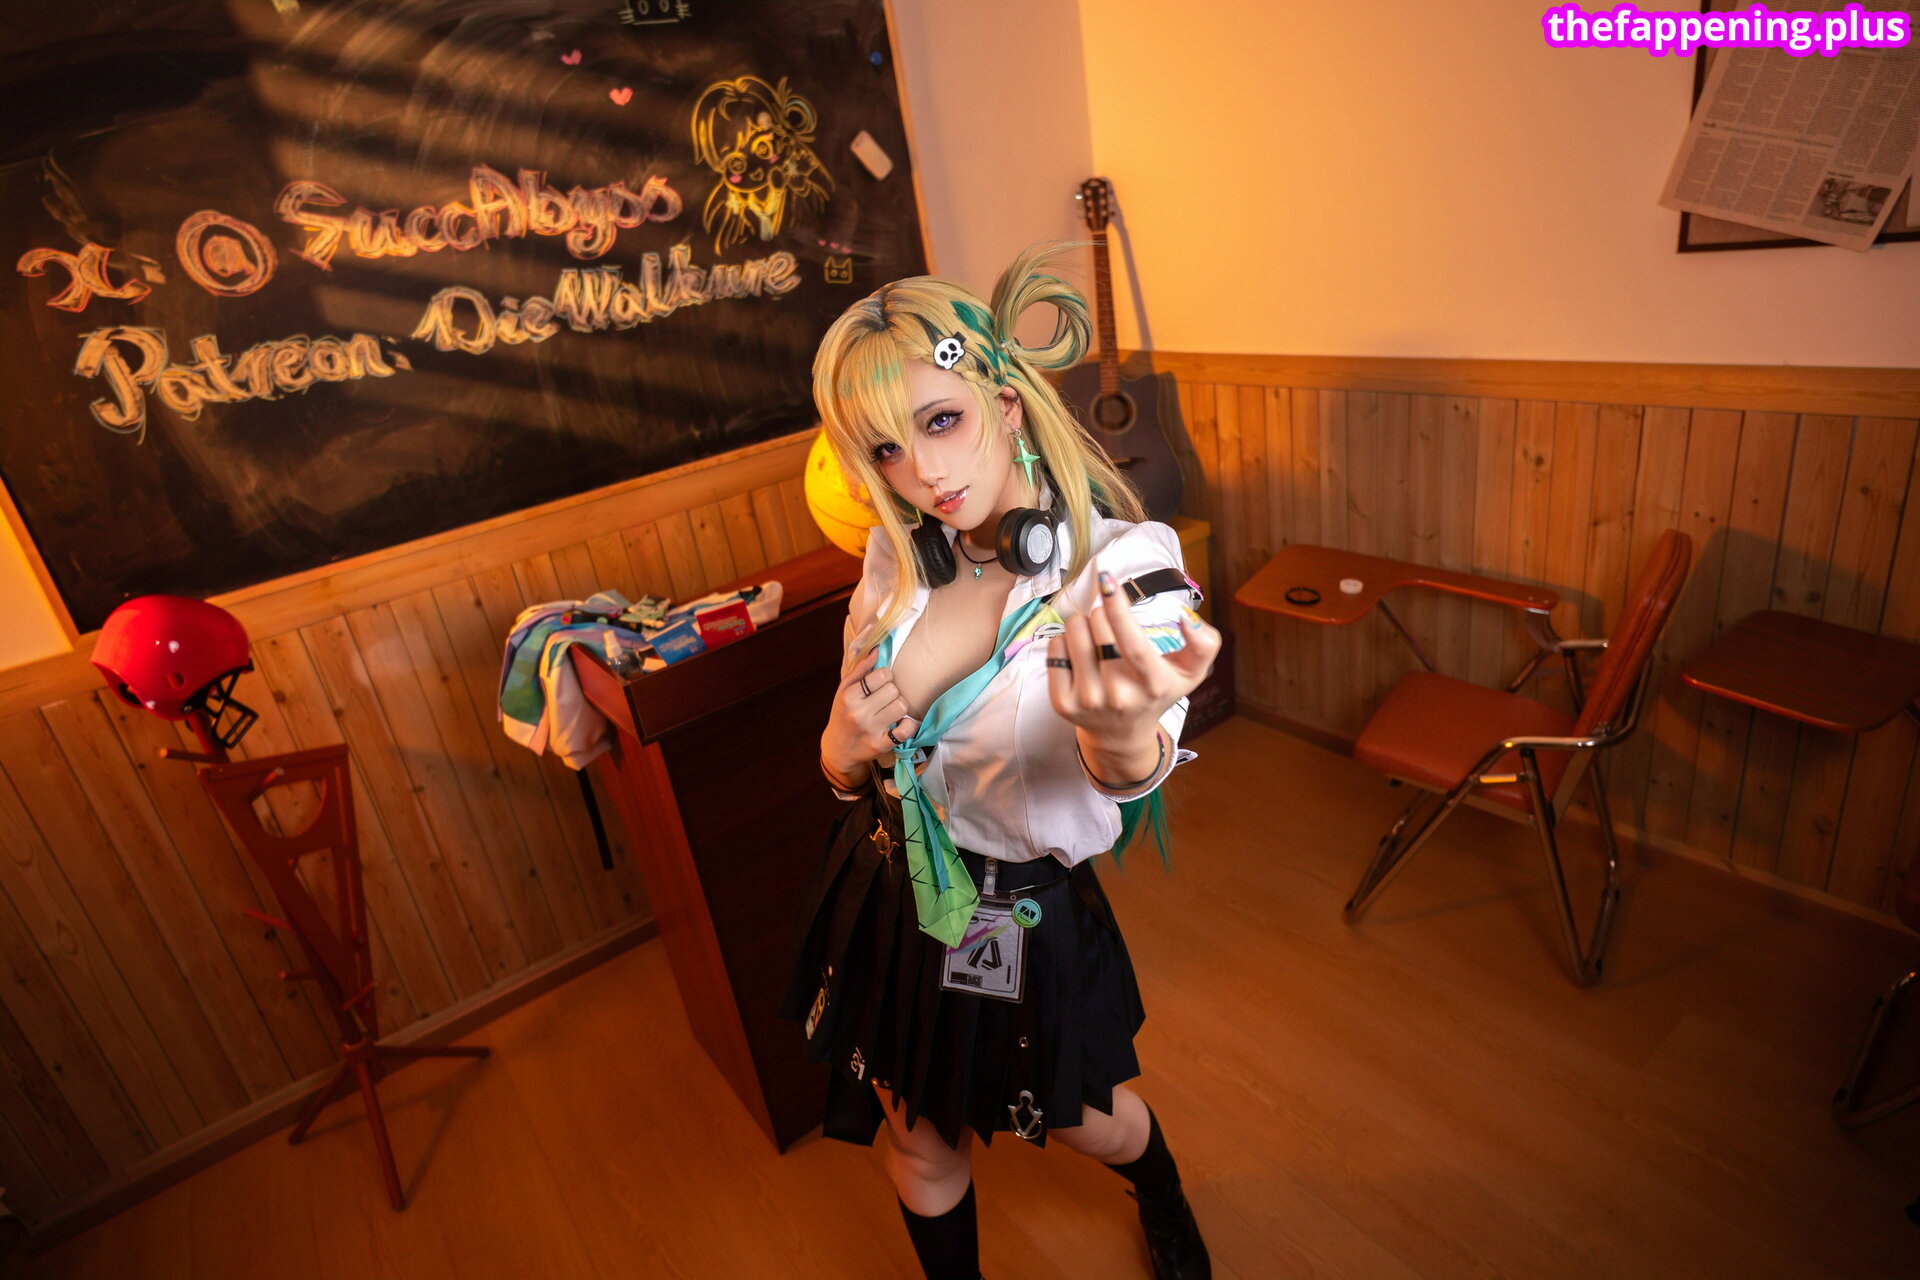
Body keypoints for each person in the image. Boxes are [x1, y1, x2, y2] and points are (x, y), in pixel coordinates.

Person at [780, 244, 1221, 1280]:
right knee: (921, 1140)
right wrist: (839, 749)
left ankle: (1160, 1189)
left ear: (1007, 403)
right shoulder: (895, 556)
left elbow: (1133, 754)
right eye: (887, 448)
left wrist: (1122, 732)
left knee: (1085, 1118)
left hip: (1015, 910)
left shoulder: (1118, 567)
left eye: (942, 421)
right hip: (893, 892)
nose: (925, 474)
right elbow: (849, 761)